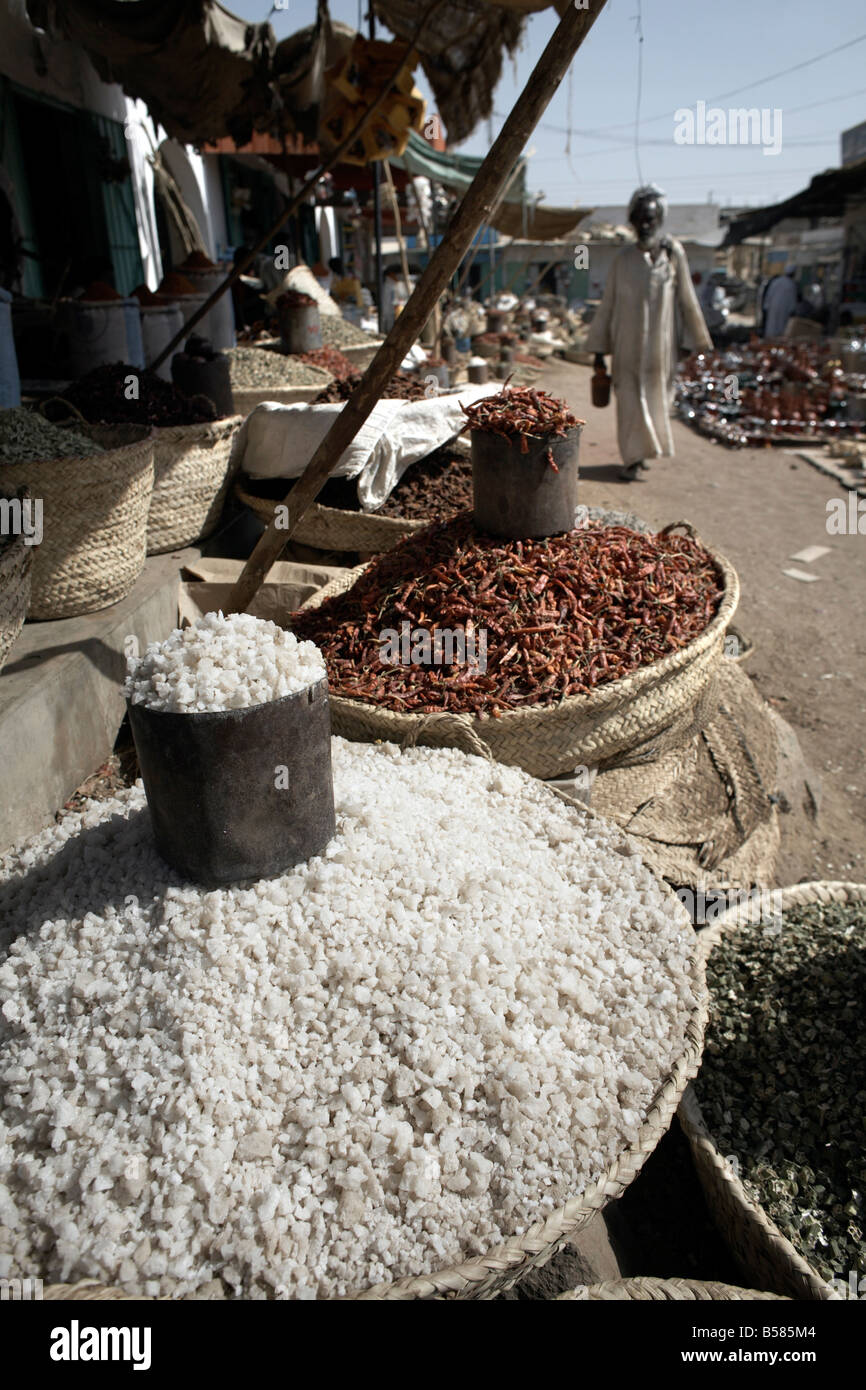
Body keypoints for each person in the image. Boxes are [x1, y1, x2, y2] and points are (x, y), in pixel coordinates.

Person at [586, 184, 712, 481]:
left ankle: (642, 454)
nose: (645, 224)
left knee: (656, 401)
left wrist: (694, 342)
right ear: (632, 220)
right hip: (626, 350)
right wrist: (598, 353)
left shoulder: (672, 255)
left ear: (660, 220)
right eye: (640, 218)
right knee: (629, 403)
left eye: (651, 218)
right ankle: (631, 459)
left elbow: (687, 300)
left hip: (661, 350)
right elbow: (607, 307)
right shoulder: (623, 260)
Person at [761, 265, 798, 339]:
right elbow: (793, 300)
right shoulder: (791, 284)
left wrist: (766, 306)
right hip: (782, 308)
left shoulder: (777, 282)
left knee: (775, 326)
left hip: (775, 307)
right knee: (777, 326)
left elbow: (769, 295)